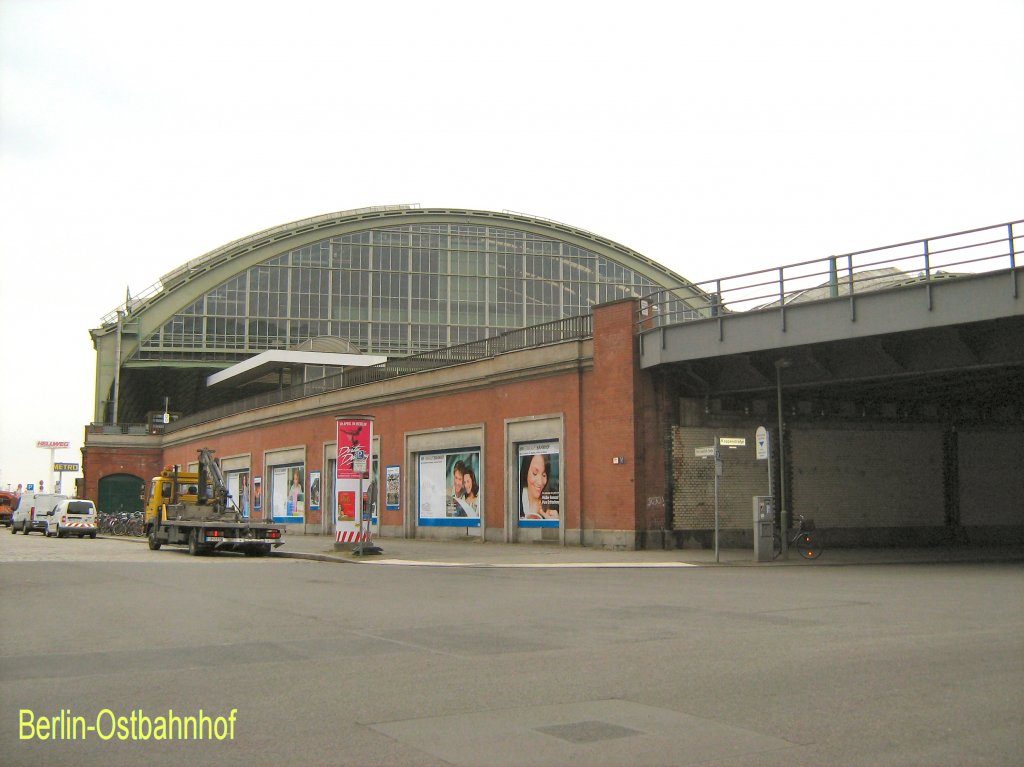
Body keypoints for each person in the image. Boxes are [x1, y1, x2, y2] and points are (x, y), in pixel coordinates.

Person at [520, 453, 557, 520]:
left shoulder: (555, 500)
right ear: (526, 471)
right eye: (535, 473)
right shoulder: (515, 497)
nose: (540, 482)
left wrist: (555, 523)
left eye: (544, 475)